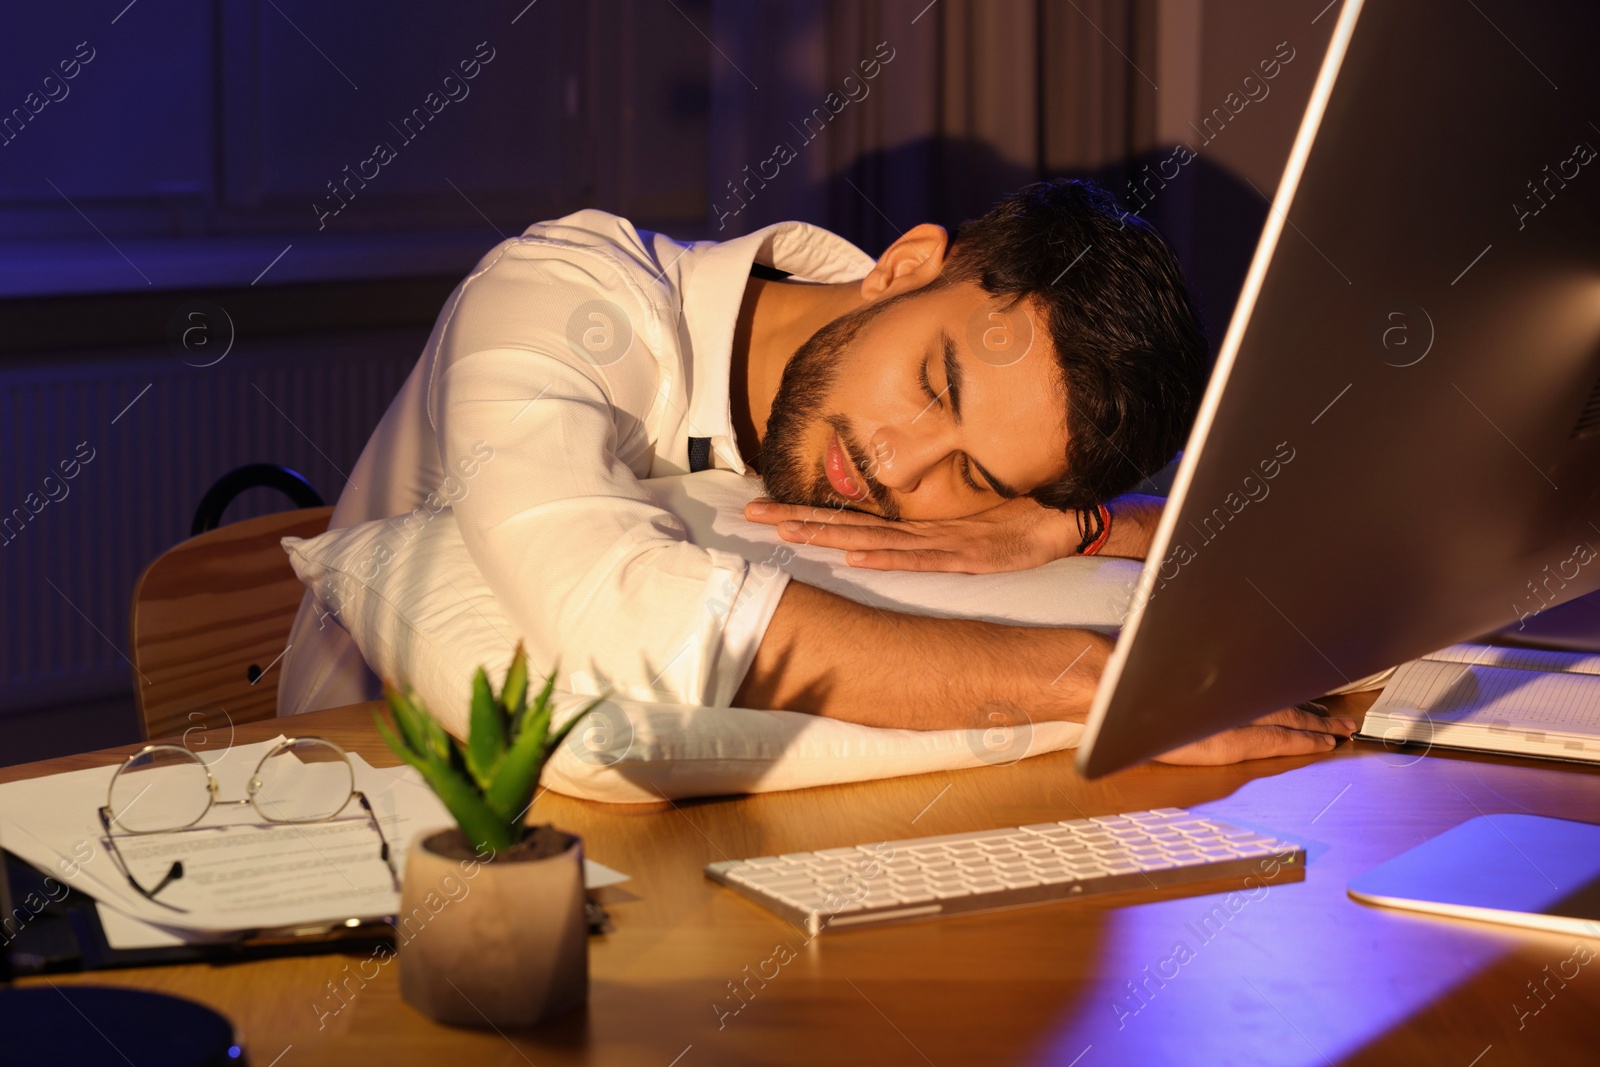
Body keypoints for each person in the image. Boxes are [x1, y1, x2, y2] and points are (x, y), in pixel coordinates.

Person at [276, 178, 1353, 764]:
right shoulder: (563, 296)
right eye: (934, 384)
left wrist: (1074, 528)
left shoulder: (981, 464)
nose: (893, 463)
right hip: (369, 812)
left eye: (972, 474)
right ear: (907, 264)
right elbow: (607, 604)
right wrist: (1097, 685)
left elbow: (1327, 566)